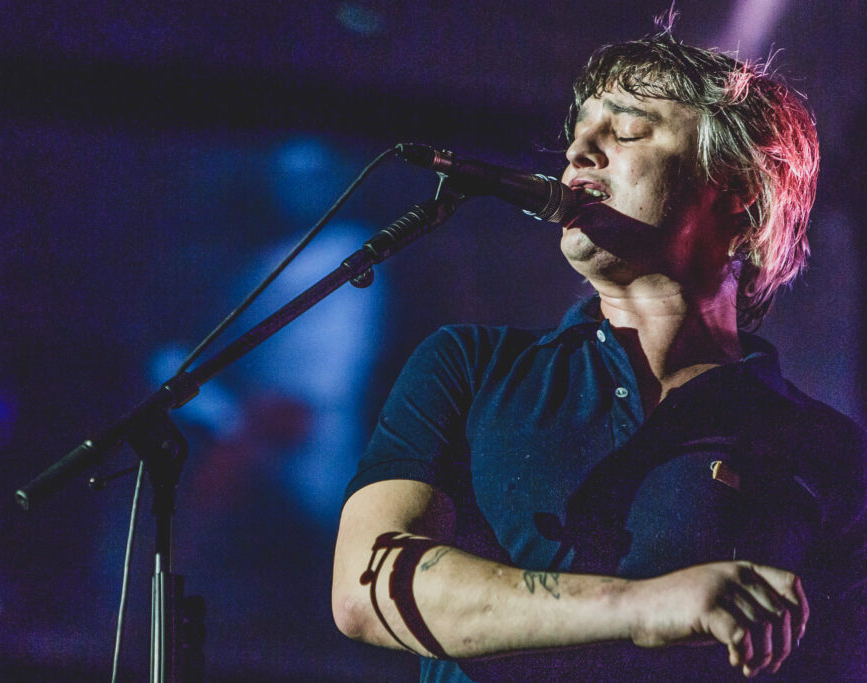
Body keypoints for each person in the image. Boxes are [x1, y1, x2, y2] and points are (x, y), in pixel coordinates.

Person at [331, 29, 867, 682]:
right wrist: (641, 605)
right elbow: (364, 591)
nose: (580, 150)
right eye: (580, 133)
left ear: (739, 192)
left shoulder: (828, 453)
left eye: (629, 130)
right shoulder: (468, 368)